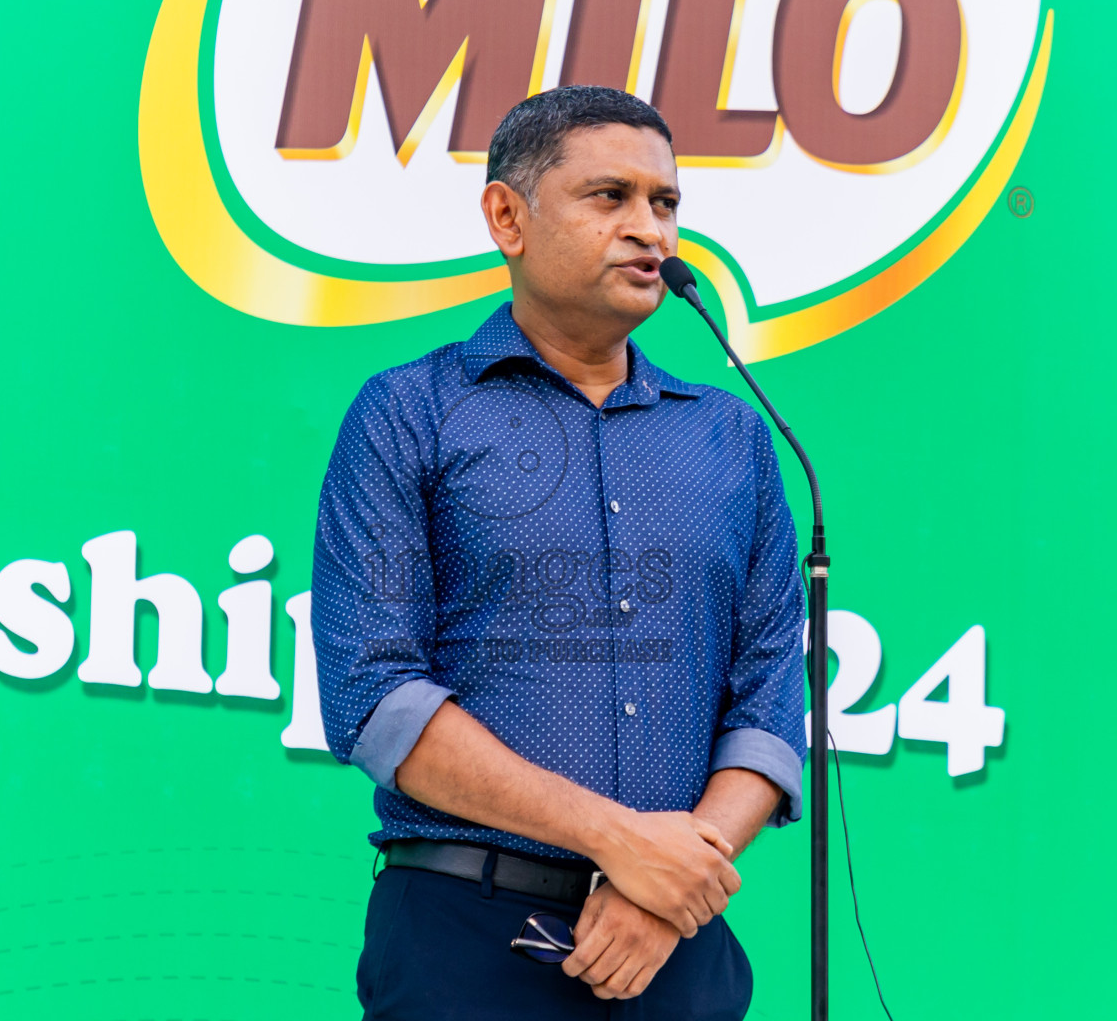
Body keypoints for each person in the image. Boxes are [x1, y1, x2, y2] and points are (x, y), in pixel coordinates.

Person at [312, 85, 808, 1021]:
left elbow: (772, 707)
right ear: (508, 216)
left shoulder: (734, 440)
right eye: (609, 197)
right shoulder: (409, 416)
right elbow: (376, 697)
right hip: (466, 936)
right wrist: (624, 845)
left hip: (678, 954)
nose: (649, 231)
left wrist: (667, 888)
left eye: (665, 204)